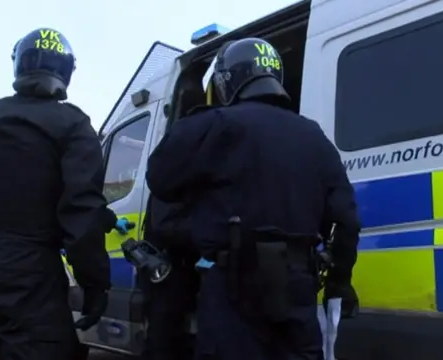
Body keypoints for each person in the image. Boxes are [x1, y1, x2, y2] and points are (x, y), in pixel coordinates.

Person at [146, 38, 360, 360]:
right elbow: (346, 220)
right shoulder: (313, 136)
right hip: (298, 285)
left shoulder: (214, 125)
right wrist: (340, 283)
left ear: (226, 81)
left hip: (234, 288)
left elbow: (160, 179)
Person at [0, 28, 132, 360]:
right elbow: (82, 215)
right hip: (34, 277)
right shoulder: (73, 125)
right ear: (66, 72)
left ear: (20, 66)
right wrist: (95, 285)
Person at [139, 194, 200, 360]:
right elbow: (165, 225)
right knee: (164, 343)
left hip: (184, 274)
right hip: (169, 275)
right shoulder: (171, 180)